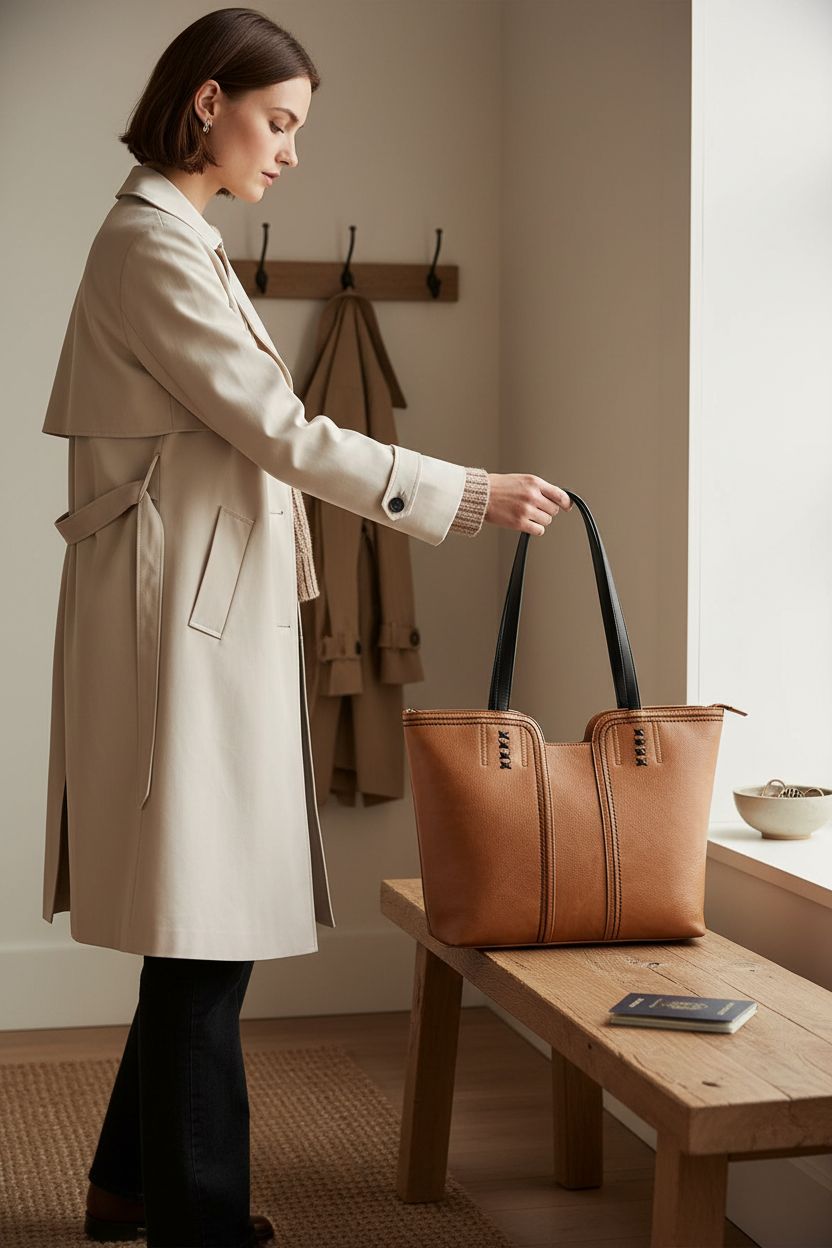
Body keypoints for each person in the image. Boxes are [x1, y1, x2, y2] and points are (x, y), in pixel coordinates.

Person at [41, 9, 572, 1247]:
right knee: (204, 925)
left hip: (193, 611)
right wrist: (465, 492)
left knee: (197, 916)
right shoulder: (155, 249)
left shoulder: (177, 239)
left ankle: (129, 1187)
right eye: (278, 123)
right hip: (179, 621)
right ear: (207, 101)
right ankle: (198, 1220)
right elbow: (284, 433)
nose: (288, 152)